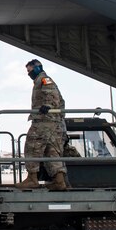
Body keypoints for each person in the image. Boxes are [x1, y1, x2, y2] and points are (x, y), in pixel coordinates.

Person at [16, 59, 68, 190]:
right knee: (52, 151)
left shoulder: (44, 79)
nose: (29, 74)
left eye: (30, 71)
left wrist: (48, 106)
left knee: (32, 146)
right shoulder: (40, 80)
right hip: (52, 121)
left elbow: (52, 94)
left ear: (37, 68)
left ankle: (32, 179)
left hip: (44, 120)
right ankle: (59, 181)